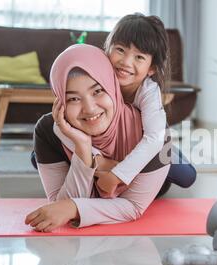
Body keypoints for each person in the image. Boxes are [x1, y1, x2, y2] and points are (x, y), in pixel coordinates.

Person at [30, 13, 196, 195]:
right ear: (107, 48)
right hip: (106, 147)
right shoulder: (94, 73)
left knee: (186, 175)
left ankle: (172, 150)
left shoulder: (148, 92)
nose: (126, 62)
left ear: (151, 69)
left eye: (139, 57)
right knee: (37, 157)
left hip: (144, 142)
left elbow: (154, 139)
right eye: (120, 50)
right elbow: (67, 123)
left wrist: (118, 174)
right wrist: (100, 160)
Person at [25, 44, 170, 232]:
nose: (90, 108)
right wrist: (83, 149)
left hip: (155, 168)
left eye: (97, 91)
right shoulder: (48, 130)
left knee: (184, 173)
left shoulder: (154, 132)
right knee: (38, 156)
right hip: (83, 152)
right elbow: (58, 208)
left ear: (112, 87)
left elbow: (132, 206)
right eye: (73, 99)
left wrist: (74, 207)